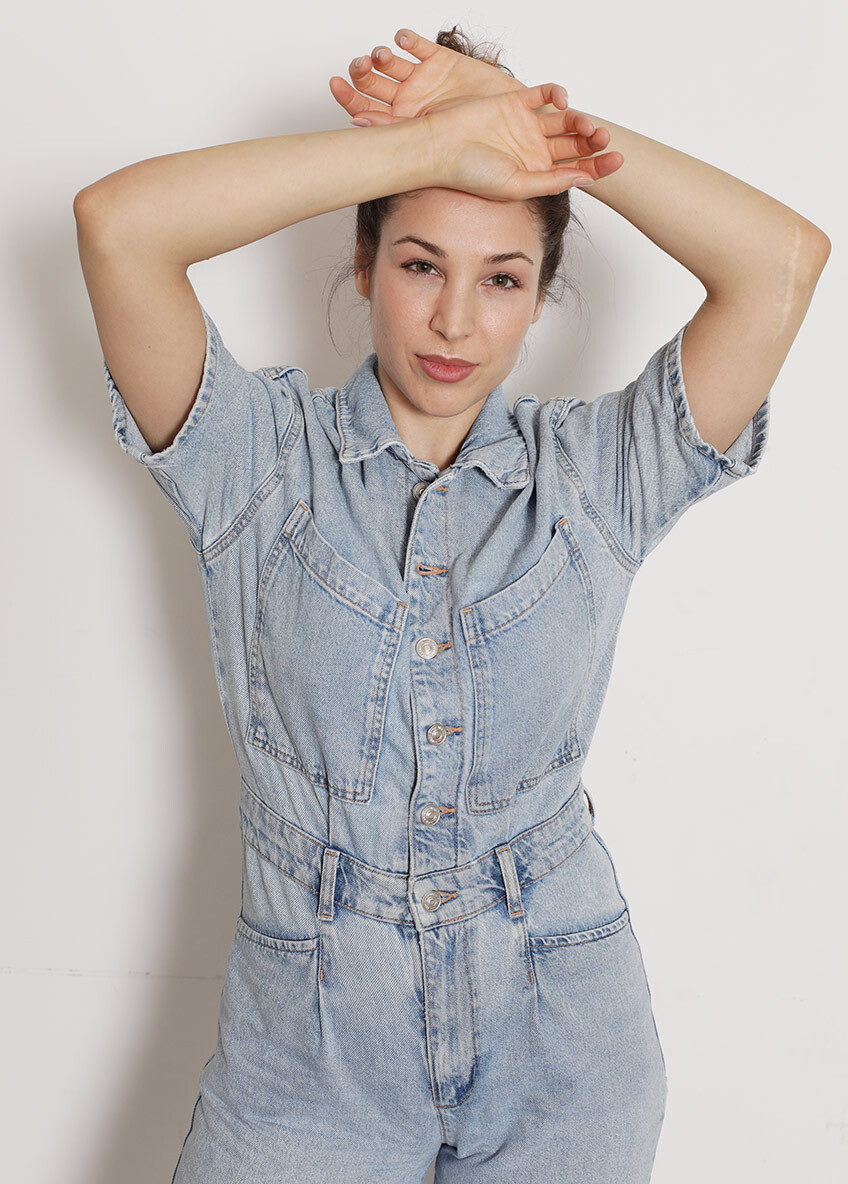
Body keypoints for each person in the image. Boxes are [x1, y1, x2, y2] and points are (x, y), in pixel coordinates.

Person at [72, 24, 830, 1184]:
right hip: (306, 1053)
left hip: (562, 1039)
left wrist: (534, 121)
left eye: (502, 278)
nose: (454, 321)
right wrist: (429, 146)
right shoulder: (256, 458)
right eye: (420, 263)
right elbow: (117, 227)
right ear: (364, 261)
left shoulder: (595, 476)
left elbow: (782, 259)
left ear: (539, 297)